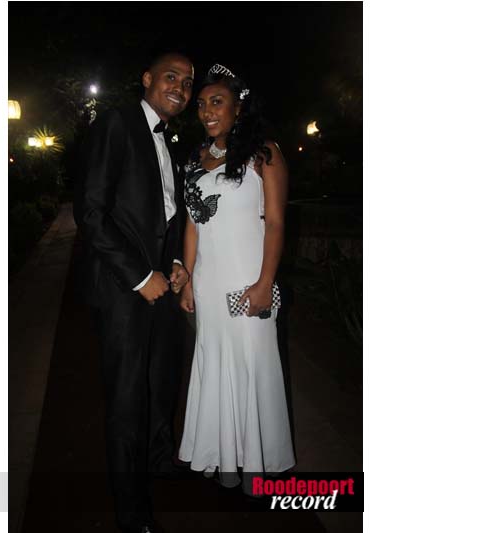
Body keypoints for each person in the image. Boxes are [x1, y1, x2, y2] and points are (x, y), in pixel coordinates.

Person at [73, 52, 193, 533]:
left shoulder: (171, 138)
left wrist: (176, 262)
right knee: (126, 399)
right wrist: (142, 276)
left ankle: (160, 460)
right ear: (147, 79)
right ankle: (132, 512)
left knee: (161, 379)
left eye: (187, 82)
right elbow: (92, 212)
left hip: (162, 281)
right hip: (124, 287)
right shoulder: (116, 124)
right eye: (171, 77)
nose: (180, 88)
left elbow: (168, 209)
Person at [177, 64, 296, 490]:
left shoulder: (264, 153)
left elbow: (276, 223)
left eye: (217, 102)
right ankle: (221, 457)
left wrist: (265, 283)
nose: (207, 111)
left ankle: (257, 464)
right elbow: (193, 223)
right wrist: (188, 275)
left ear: (239, 107)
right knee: (214, 362)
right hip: (209, 283)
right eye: (202, 104)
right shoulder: (197, 157)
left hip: (248, 280)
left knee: (252, 364)